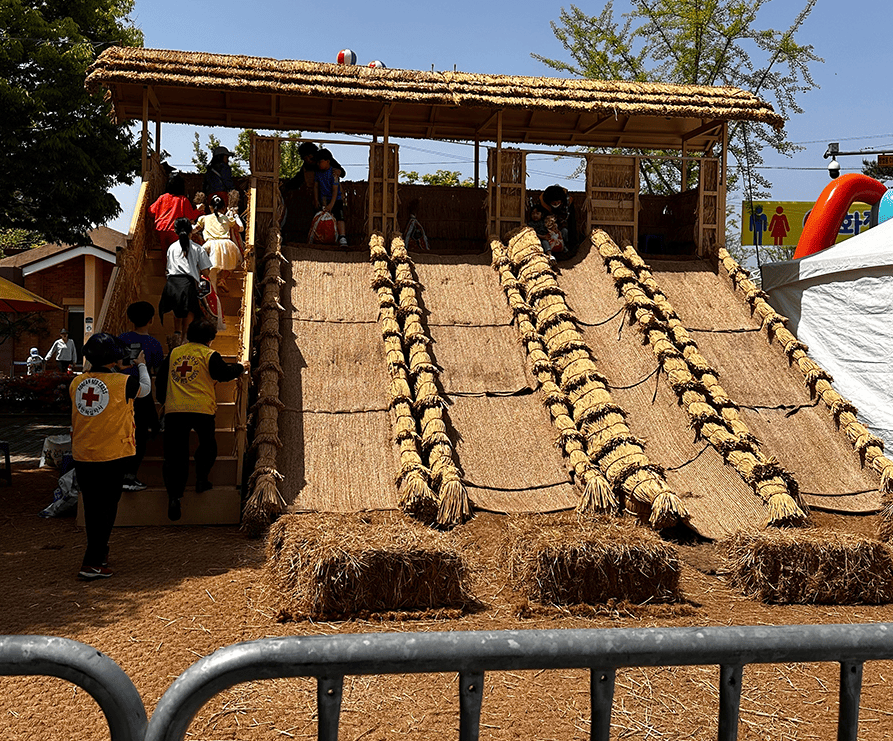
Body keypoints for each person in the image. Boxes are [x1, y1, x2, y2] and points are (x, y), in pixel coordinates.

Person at [69, 333, 150, 580]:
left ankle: (99, 554)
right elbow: (145, 390)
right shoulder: (123, 382)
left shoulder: (77, 383)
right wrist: (141, 365)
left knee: (92, 508)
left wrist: (115, 368)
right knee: (106, 509)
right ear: (114, 357)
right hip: (112, 455)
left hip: (83, 454)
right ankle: (92, 562)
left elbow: (100, 382)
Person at [156, 318, 249, 521]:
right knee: (207, 446)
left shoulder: (175, 353)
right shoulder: (209, 355)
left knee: (175, 454)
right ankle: (201, 479)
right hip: (202, 410)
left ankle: (174, 496)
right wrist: (240, 367)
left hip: (175, 410)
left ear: (188, 335)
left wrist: (164, 401)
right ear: (210, 339)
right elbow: (223, 374)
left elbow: (161, 379)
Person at [118, 301, 164, 492]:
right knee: (141, 434)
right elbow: (158, 370)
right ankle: (130, 475)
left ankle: (119, 473)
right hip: (142, 393)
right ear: (151, 320)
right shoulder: (154, 344)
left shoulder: (121, 339)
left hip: (119, 392)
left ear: (130, 319)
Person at [158, 217, 212, 342]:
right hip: (188, 285)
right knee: (189, 312)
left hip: (171, 284)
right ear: (191, 231)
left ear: (175, 231)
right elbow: (206, 272)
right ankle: (184, 340)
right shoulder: (198, 248)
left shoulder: (171, 248)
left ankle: (176, 336)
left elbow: (168, 267)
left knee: (177, 310)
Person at [195, 194, 243, 294]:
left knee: (211, 273)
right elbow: (240, 229)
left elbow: (194, 229)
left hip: (209, 245)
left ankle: (212, 295)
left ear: (210, 207)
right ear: (224, 208)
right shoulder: (228, 219)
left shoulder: (204, 218)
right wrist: (236, 216)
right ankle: (222, 279)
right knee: (233, 262)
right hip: (226, 246)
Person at [149, 173, 205, 250]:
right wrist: (198, 211)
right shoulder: (183, 200)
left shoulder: (162, 198)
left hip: (161, 229)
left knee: (165, 252)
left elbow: (151, 212)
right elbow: (190, 216)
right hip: (175, 230)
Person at [314, 148, 348, 247]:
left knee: (339, 217)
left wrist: (331, 204)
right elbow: (316, 186)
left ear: (327, 161)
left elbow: (335, 190)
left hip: (336, 199)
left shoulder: (334, 173)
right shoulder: (317, 173)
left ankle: (342, 237)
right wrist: (316, 200)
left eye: (320, 161)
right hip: (324, 200)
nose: (318, 164)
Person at [539, 184, 578, 260]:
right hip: (549, 231)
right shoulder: (543, 202)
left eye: (558, 203)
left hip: (562, 227)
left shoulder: (568, 202)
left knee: (565, 231)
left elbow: (572, 223)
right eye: (554, 203)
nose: (556, 205)